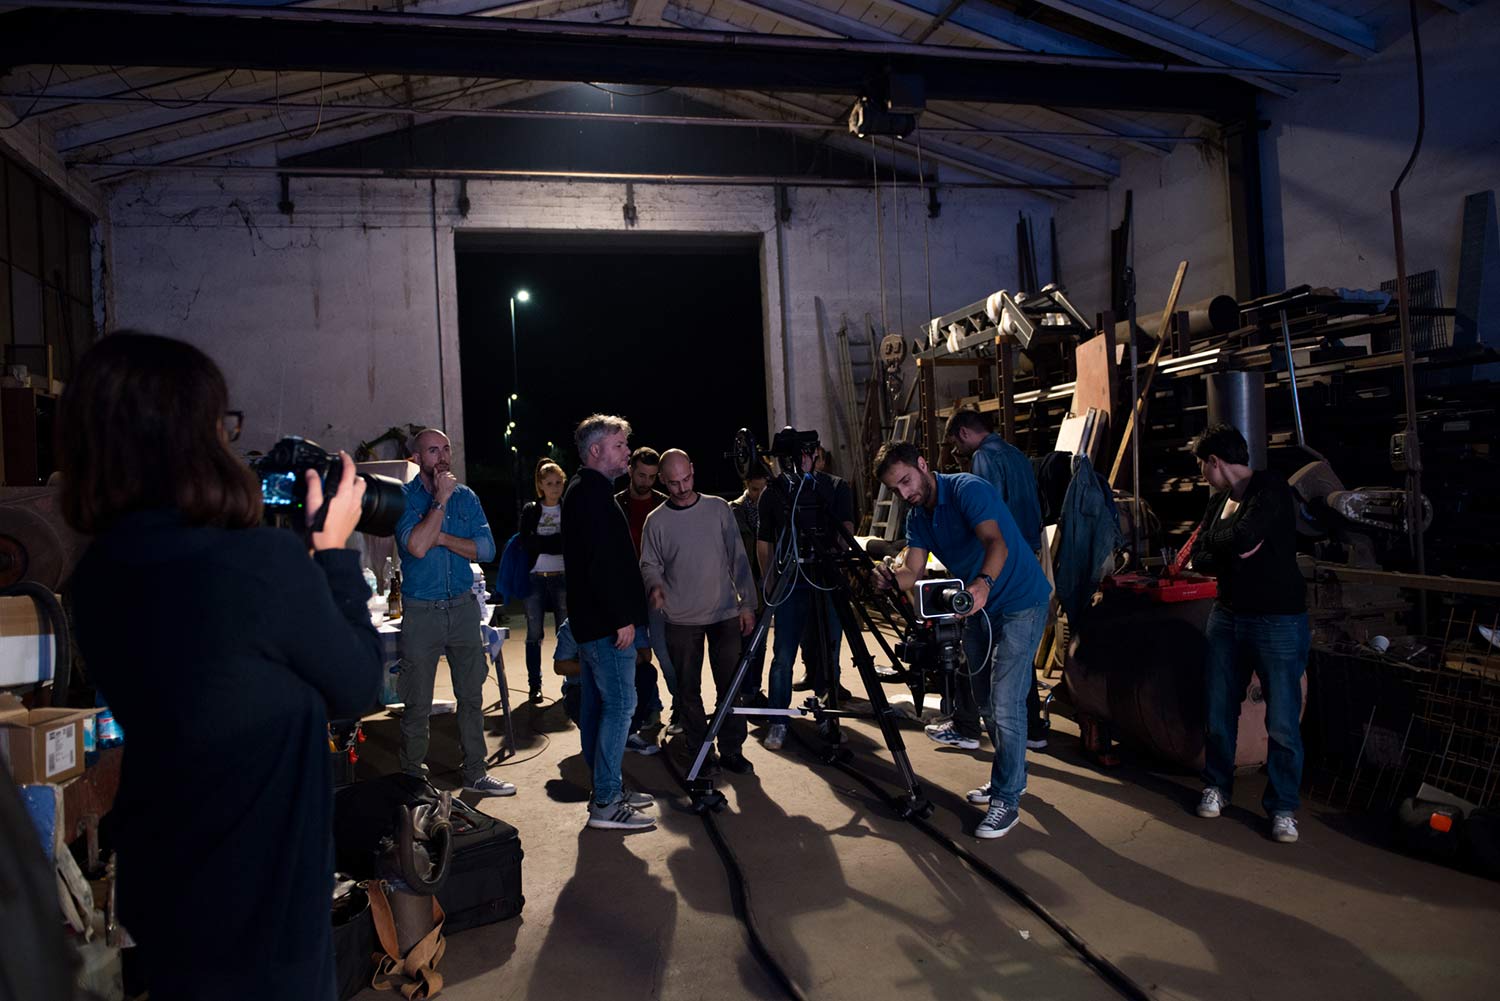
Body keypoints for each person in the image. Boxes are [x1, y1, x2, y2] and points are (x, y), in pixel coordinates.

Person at [62, 332, 384, 999]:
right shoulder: (257, 566)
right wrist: (333, 553)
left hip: (167, 899)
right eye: (220, 421)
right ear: (190, 435)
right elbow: (359, 683)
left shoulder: (96, 576)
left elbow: (225, 676)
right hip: (263, 916)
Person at [873, 441, 1052, 840]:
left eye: (906, 481)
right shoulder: (919, 516)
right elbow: (914, 570)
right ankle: (1012, 777)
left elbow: (996, 542)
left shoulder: (966, 489)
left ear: (922, 463)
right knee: (987, 702)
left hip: (1021, 601)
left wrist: (983, 584)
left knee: (1005, 703)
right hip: (977, 608)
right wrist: (887, 578)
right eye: (895, 489)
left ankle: (1006, 800)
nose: (904, 493)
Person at [1188, 423, 1310, 844]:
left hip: (1277, 619)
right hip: (1227, 616)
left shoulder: (1270, 487)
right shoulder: (1218, 501)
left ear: (1214, 462)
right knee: (1219, 710)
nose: (1204, 474)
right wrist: (1231, 549)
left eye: (1203, 466)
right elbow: (1203, 554)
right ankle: (1218, 786)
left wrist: (1228, 546)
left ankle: (1282, 808)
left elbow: (1243, 537)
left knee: (1281, 721)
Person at [395, 428, 513, 797]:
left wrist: (442, 537)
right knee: (417, 704)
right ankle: (413, 779)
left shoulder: (467, 497)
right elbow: (415, 546)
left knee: (472, 697)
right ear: (417, 459)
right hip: (421, 611)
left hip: (462, 607)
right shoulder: (403, 499)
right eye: (433, 450)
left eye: (446, 449)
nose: (443, 456)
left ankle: (475, 772)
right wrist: (440, 503)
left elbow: (487, 549)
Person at [641, 449, 758, 774]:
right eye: (674, 483)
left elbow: (738, 558)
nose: (682, 488)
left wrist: (746, 603)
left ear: (693, 469)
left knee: (730, 686)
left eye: (687, 479)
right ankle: (699, 748)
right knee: (687, 689)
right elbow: (649, 562)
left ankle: (732, 749)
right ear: (663, 481)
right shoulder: (657, 521)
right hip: (680, 618)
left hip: (723, 613)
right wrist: (655, 584)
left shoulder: (718, 509)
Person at [565, 414, 656, 831]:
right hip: (606, 625)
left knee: (607, 707)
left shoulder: (591, 490)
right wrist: (622, 619)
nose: (626, 451)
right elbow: (599, 566)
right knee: (620, 706)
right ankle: (605, 802)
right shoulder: (589, 495)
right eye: (620, 445)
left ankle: (610, 788)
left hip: (599, 622)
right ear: (597, 450)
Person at [943, 407, 1050, 751]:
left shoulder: (983, 460)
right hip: (1028, 555)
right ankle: (1033, 728)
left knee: (982, 646)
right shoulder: (1017, 455)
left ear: (962, 433)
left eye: (953, 442)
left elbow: (986, 516)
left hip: (1001, 561)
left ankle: (969, 726)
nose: (955, 451)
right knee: (1018, 651)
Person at [756, 445, 856, 751]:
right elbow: (765, 542)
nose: (797, 461)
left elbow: (846, 533)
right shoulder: (774, 492)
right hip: (790, 581)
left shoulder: (836, 487)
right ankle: (777, 720)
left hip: (825, 580)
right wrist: (771, 584)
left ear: (817, 456)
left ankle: (828, 717)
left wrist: (836, 561)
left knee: (830, 650)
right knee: (783, 653)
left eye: (804, 454)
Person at [615, 446, 674, 735]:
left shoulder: (666, 504)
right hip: (628, 591)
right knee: (637, 656)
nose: (646, 481)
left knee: (666, 653)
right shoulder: (616, 504)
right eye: (641, 474)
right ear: (630, 470)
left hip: (660, 589)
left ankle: (680, 707)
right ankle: (649, 708)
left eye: (652, 476)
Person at [520, 458, 568, 702]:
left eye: (559, 482)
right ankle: (534, 685)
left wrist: (544, 544)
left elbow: (569, 542)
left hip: (562, 577)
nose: (555, 488)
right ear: (541, 485)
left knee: (566, 632)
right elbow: (526, 542)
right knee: (534, 634)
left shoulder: (567, 508)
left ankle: (569, 683)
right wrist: (554, 543)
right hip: (536, 578)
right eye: (549, 483)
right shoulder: (531, 510)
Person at [729, 463, 771, 706]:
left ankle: (753, 689)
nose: (759, 495)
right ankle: (742, 691)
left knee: (761, 643)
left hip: (764, 585)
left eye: (763, 489)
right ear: (746, 486)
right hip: (743, 587)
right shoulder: (734, 511)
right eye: (755, 489)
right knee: (743, 643)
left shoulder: (770, 510)